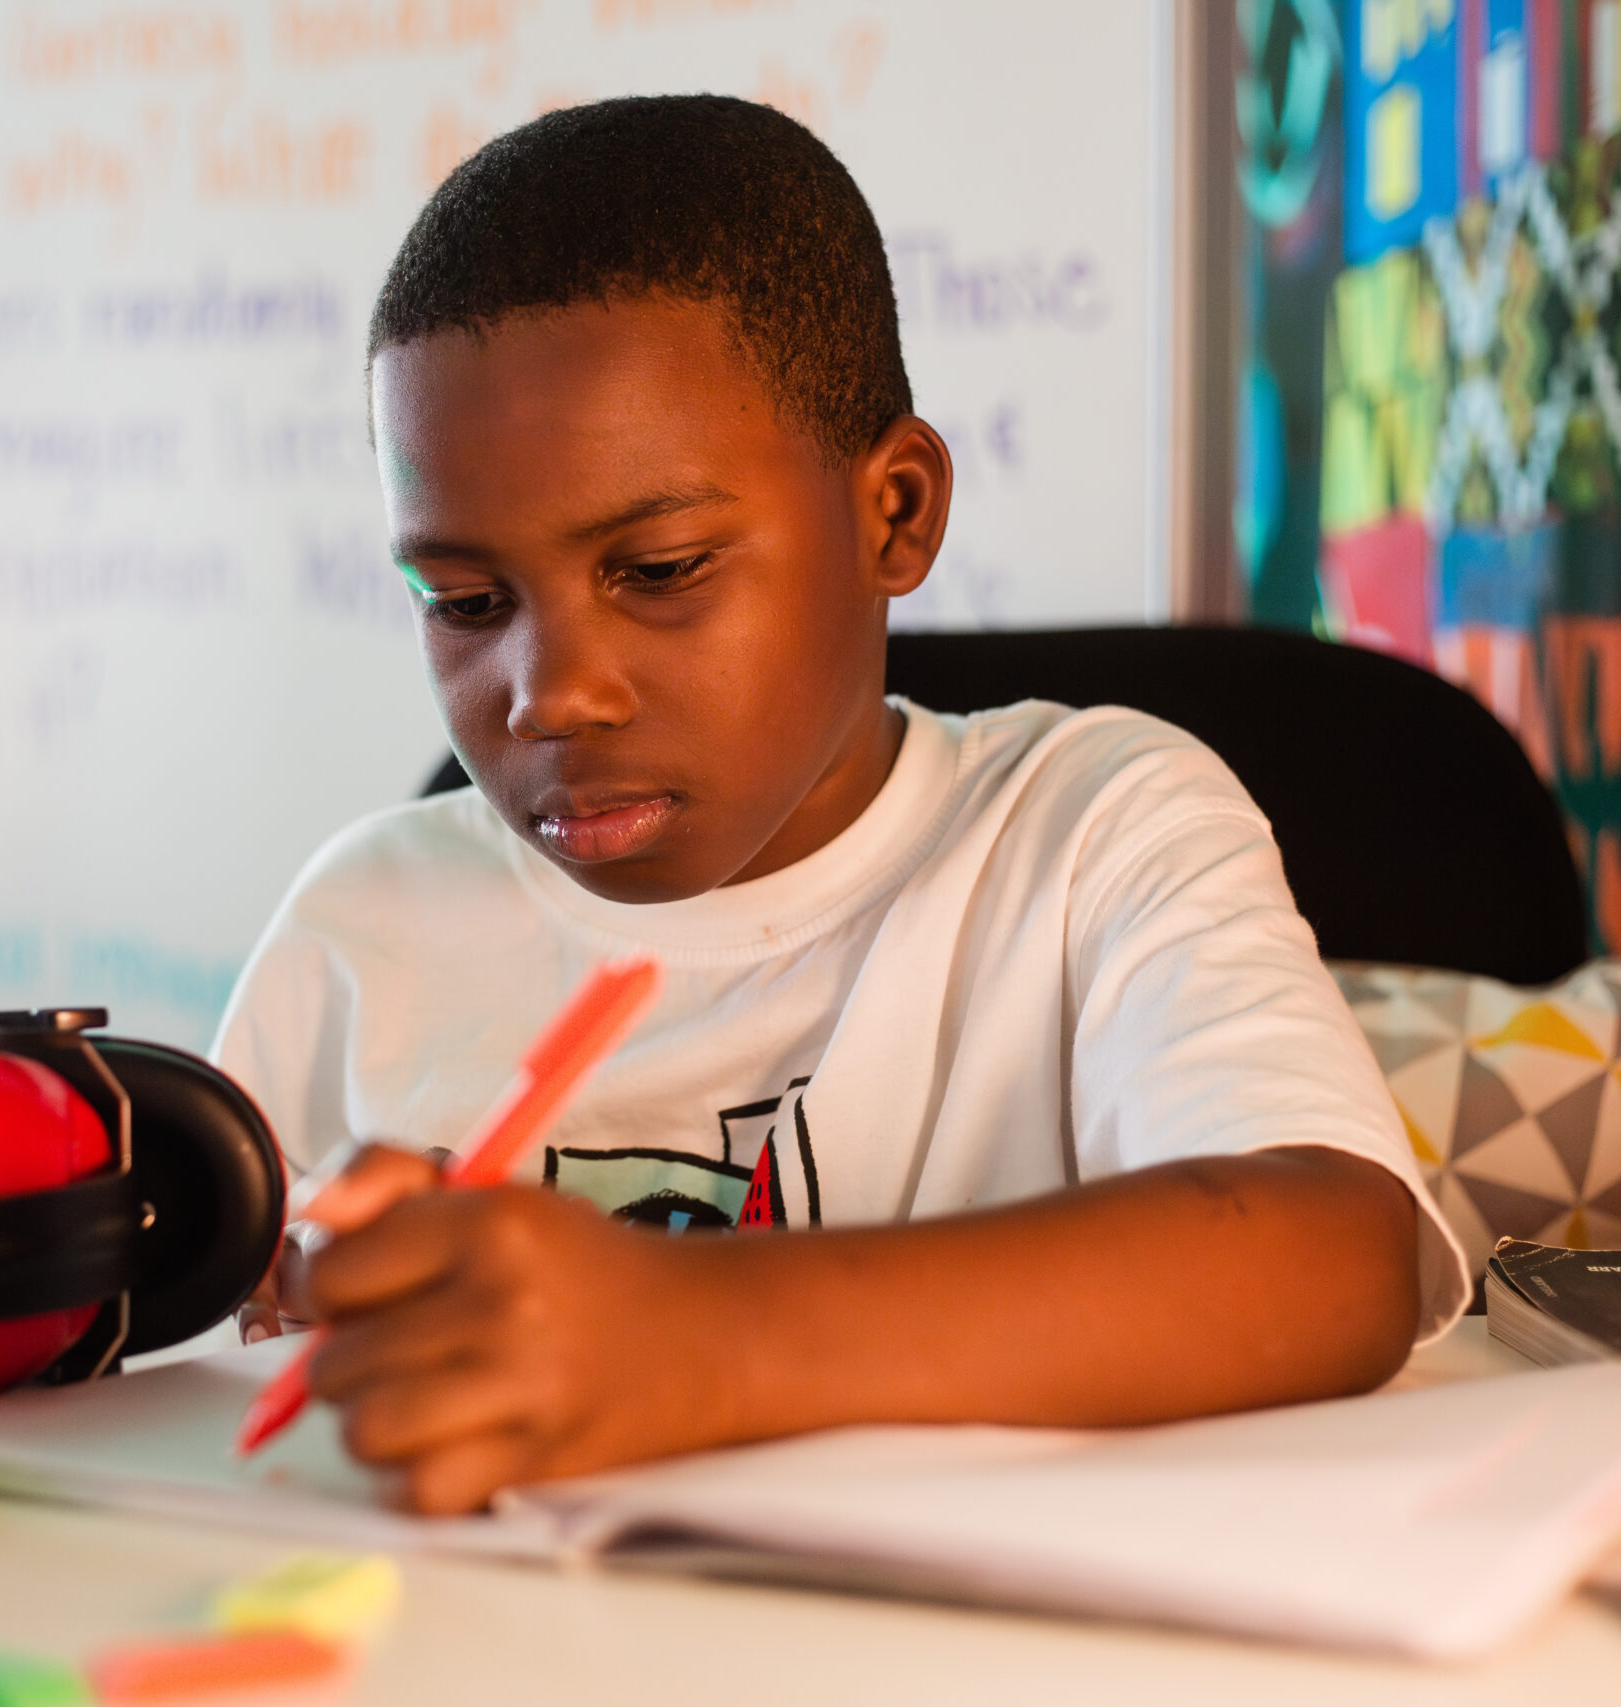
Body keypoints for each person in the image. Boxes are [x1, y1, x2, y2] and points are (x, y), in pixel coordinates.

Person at [213, 93, 1465, 1515]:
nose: (549, 692)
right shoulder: (361, 925)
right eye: (463, 601)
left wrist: (689, 1337)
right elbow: (196, 1360)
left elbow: (1327, 1260)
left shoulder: (1089, 830)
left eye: (662, 568)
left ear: (895, 513)